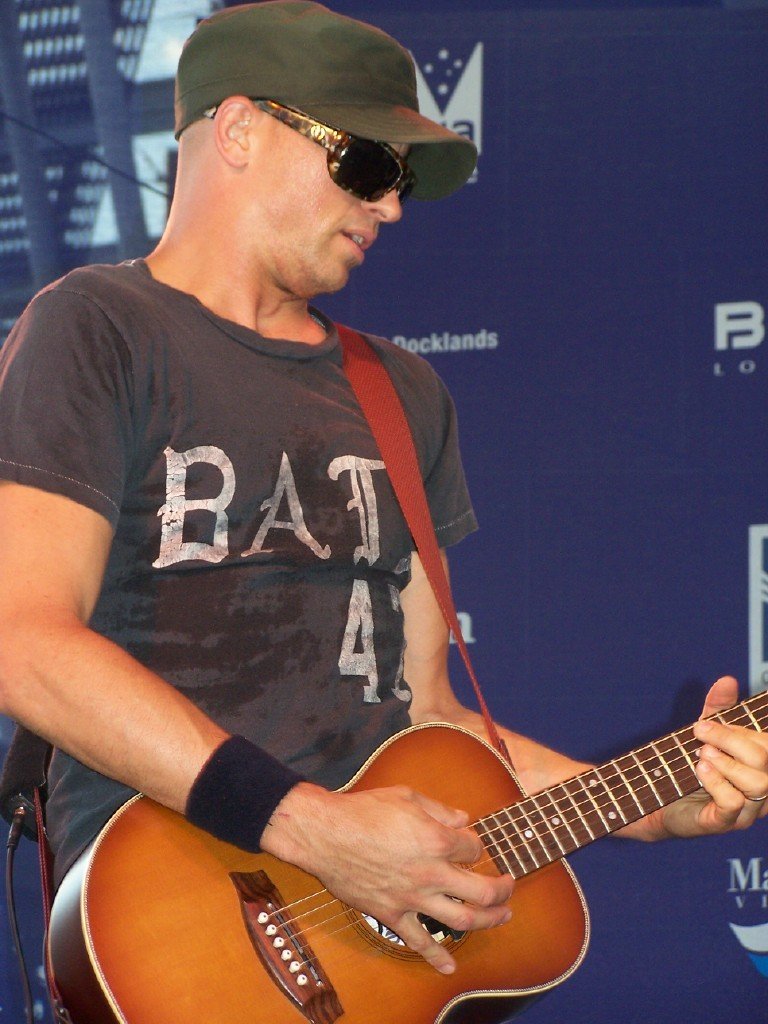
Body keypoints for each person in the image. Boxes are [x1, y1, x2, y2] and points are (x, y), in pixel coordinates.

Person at [0, 0, 765, 984]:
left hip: (370, 956)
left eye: (399, 180)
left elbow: (428, 713)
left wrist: (659, 804)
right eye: (365, 165)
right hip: (178, 929)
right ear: (239, 130)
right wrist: (313, 828)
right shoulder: (97, 328)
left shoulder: (404, 393)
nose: (392, 207)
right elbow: (24, 640)